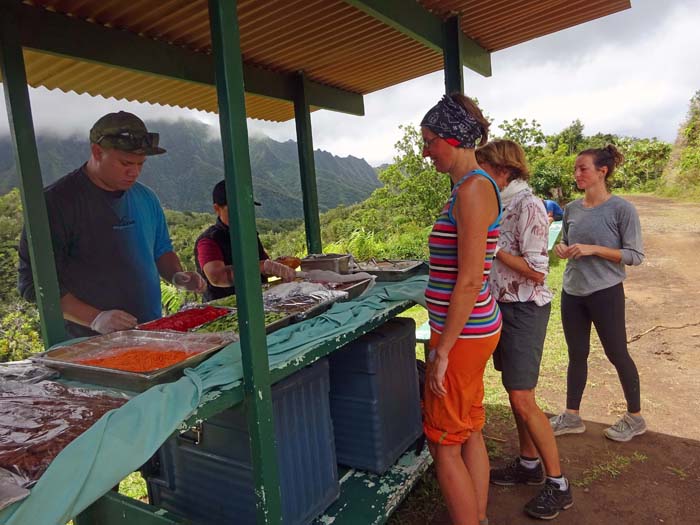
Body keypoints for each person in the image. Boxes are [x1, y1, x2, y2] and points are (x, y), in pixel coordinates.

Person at [18, 111, 205, 338]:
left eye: (140, 164)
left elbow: (160, 250)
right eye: (125, 163)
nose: (134, 172)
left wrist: (177, 276)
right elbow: (33, 284)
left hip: (150, 334)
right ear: (97, 152)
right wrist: (96, 318)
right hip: (85, 344)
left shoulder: (146, 198)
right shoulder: (55, 203)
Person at [476, 140, 572, 520]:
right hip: (504, 306)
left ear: (503, 169)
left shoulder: (529, 206)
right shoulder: (502, 204)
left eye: (484, 167)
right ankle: (528, 463)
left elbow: (536, 269)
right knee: (515, 393)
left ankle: (559, 484)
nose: (479, 175)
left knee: (523, 398)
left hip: (525, 309)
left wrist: (493, 245)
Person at [421, 94, 502, 525]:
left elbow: (470, 280)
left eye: (430, 140)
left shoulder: (473, 190)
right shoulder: (470, 188)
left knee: (444, 444)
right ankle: (480, 516)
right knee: (468, 429)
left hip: (463, 336)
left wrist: (443, 352)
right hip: (474, 330)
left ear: (453, 139)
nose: (425, 149)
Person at [550, 145, 646, 442]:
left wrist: (595, 249)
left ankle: (635, 417)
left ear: (602, 171)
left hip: (605, 293)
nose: (577, 174)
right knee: (576, 354)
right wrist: (561, 249)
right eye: (576, 169)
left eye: (584, 168)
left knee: (617, 353)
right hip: (572, 292)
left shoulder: (621, 210)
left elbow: (634, 255)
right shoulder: (571, 210)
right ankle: (572, 416)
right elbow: (565, 241)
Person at [194, 180, 296, 302]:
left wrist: (277, 266)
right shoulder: (208, 241)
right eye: (235, 208)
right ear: (217, 208)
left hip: (258, 302)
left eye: (246, 206)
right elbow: (218, 277)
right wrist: (261, 266)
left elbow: (263, 268)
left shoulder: (249, 234)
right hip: (226, 310)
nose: (242, 212)